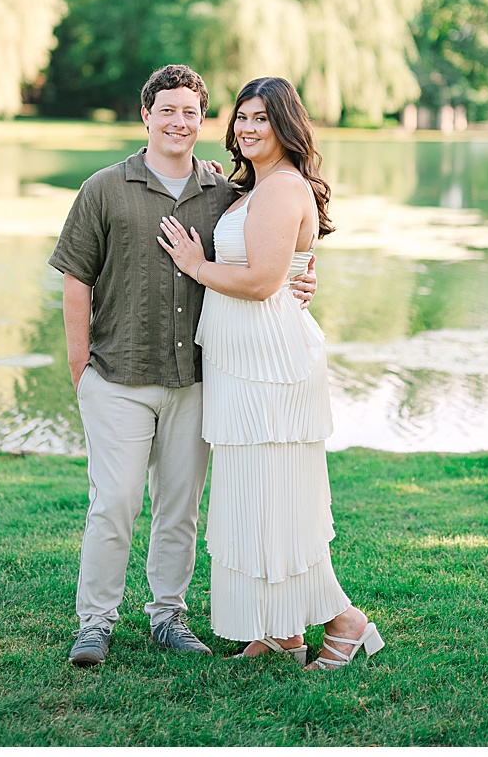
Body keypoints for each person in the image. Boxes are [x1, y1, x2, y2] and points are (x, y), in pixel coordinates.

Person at [51, 64, 316, 668]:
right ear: (146, 115)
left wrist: (302, 277)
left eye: (190, 112)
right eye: (166, 110)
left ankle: (168, 616)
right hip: (117, 375)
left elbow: (274, 248)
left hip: (196, 380)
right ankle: (95, 623)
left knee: (180, 511)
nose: (178, 121)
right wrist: (79, 365)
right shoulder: (103, 188)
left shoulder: (224, 193)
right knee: (113, 504)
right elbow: (74, 279)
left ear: (202, 121)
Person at [157, 76, 383, 671]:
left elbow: (261, 283)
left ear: (286, 124)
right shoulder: (251, 188)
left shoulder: (283, 188)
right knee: (248, 497)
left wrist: (194, 264)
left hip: (272, 368)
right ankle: (277, 629)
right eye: (241, 118)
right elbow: (279, 268)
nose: (247, 128)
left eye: (261, 118)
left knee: (278, 499)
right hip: (240, 363)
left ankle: (345, 622)